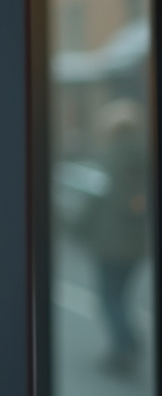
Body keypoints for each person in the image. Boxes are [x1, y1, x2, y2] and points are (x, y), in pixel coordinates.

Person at [78, 98, 149, 374]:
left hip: (109, 242)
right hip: (136, 244)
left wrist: (75, 225)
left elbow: (95, 197)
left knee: (109, 298)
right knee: (122, 297)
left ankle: (124, 349)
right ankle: (129, 341)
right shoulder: (144, 155)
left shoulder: (108, 157)